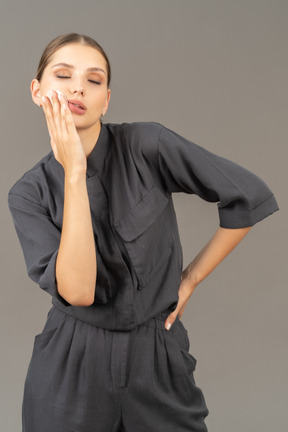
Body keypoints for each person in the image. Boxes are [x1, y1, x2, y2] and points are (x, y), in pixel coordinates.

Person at [7, 32, 279, 432]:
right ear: (37, 91)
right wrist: (75, 173)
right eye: (63, 76)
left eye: (94, 80)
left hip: (157, 357)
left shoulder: (147, 145)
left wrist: (192, 278)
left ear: (106, 100)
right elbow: (79, 292)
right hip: (72, 367)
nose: (78, 87)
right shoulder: (28, 194)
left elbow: (248, 196)